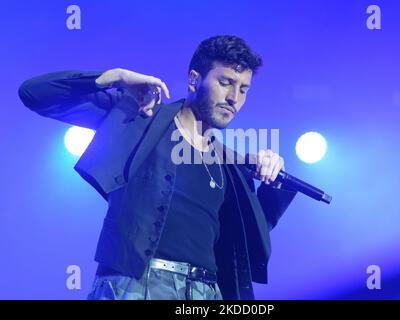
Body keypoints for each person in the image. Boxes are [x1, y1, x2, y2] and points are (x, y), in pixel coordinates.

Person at [18, 35, 297, 300]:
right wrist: (114, 77)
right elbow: (34, 93)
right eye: (225, 82)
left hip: (206, 291)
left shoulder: (229, 164)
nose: (234, 97)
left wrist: (274, 183)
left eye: (243, 89)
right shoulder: (142, 119)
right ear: (193, 80)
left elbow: (246, 240)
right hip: (136, 284)